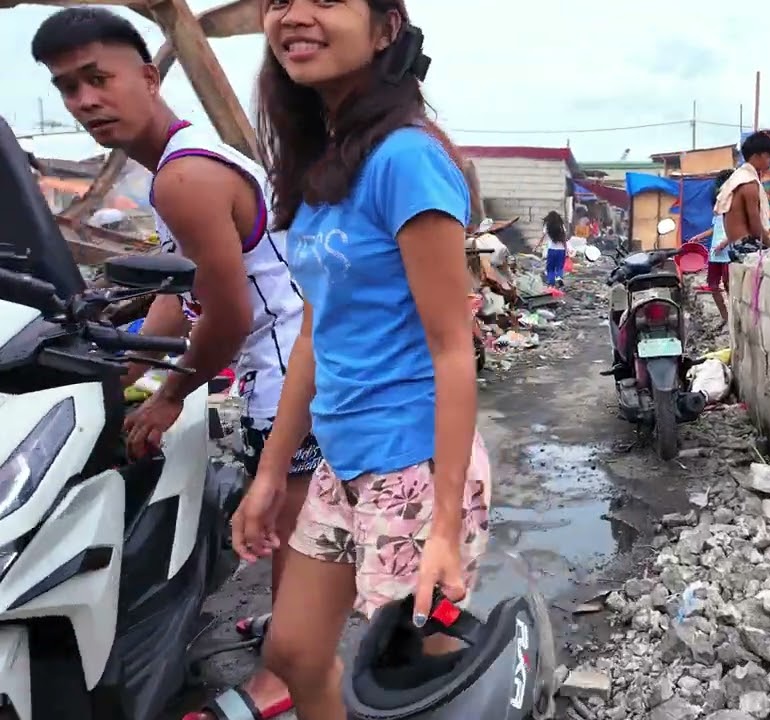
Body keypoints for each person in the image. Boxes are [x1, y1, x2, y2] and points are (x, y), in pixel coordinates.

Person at [30, 10, 320, 719]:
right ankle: (294, 634)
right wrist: (129, 372)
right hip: (283, 358)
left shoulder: (182, 179)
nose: (84, 102)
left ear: (149, 76)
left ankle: (286, 674)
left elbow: (229, 318)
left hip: (288, 367)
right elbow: (180, 288)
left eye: (97, 79)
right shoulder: (182, 160)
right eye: (67, 88)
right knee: (291, 512)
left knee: (288, 517)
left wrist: (169, 394)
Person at [233, 0, 491, 717]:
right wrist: (269, 472)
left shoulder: (407, 159)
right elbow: (315, 336)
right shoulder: (326, 166)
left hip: (412, 462)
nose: (295, 15)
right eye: (280, 1)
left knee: (412, 685)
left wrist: (443, 526)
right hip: (340, 464)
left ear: (385, 29)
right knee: (294, 654)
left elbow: (452, 348)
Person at [717, 131, 770, 254]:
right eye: (768, 156)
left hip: (736, 246)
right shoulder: (749, 183)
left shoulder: (737, 178)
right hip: (746, 247)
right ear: (756, 156)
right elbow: (755, 228)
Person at [705, 168, 737, 327]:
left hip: (727, 251)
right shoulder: (718, 212)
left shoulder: (734, 210)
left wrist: (724, 243)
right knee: (712, 285)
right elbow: (715, 228)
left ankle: (734, 315)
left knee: (728, 283)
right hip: (715, 251)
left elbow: (738, 229)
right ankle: (725, 316)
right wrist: (700, 236)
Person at [543, 210, 568, 286]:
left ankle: (551, 283)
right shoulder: (561, 225)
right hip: (561, 250)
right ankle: (559, 278)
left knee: (550, 268)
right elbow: (564, 238)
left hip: (551, 250)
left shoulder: (547, 225)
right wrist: (566, 249)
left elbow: (543, 236)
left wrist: (537, 246)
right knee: (560, 267)